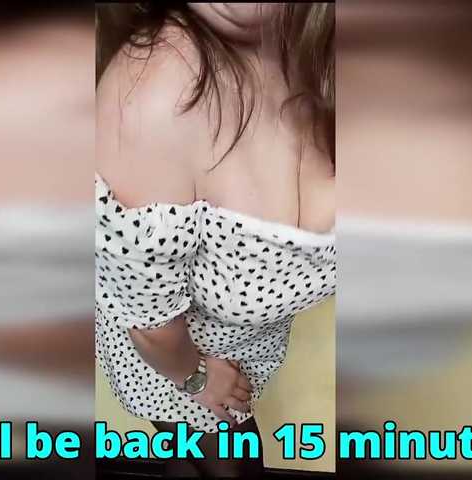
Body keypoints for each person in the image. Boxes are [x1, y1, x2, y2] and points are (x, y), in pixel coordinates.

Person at [96, 3, 335, 477]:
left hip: (250, 346)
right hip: (172, 361)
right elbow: (148, 324)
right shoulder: (153, 98)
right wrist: (196, 378)